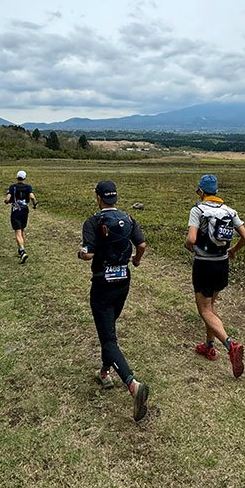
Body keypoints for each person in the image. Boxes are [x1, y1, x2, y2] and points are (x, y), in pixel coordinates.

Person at [78, 180, 149, 422]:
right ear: (115, 198)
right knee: (109, 330)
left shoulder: (93, 221)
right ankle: (104, 372)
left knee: (108, 338)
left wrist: (85, 253)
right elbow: (141, 244)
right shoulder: (128, 218)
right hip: (123, 283)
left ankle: (132, 384)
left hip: (102, 284)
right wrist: (136, 261)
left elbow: (87, 253)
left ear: (98, 197)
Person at [185, 173, 245, 377]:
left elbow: (191, 239)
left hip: (204, 265)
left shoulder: (198, 210)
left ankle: (231, 346)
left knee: (204, 310)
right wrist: (233, 251)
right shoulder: (229, 211)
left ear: (202, 191)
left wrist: (190, 248)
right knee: (211, 307)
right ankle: (209, 346)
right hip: (222, 265)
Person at [4, 170, 37, 263]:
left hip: (15, 211)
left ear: (17, 177)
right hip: (25, 211)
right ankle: (21, 249)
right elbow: (32, 197)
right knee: (22, 229)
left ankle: (22, 251)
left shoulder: (12, 187)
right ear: (24, 178)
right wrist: (34, 204)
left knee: (17, 231)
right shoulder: (28, 187)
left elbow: (7, 199)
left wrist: (6, 201)